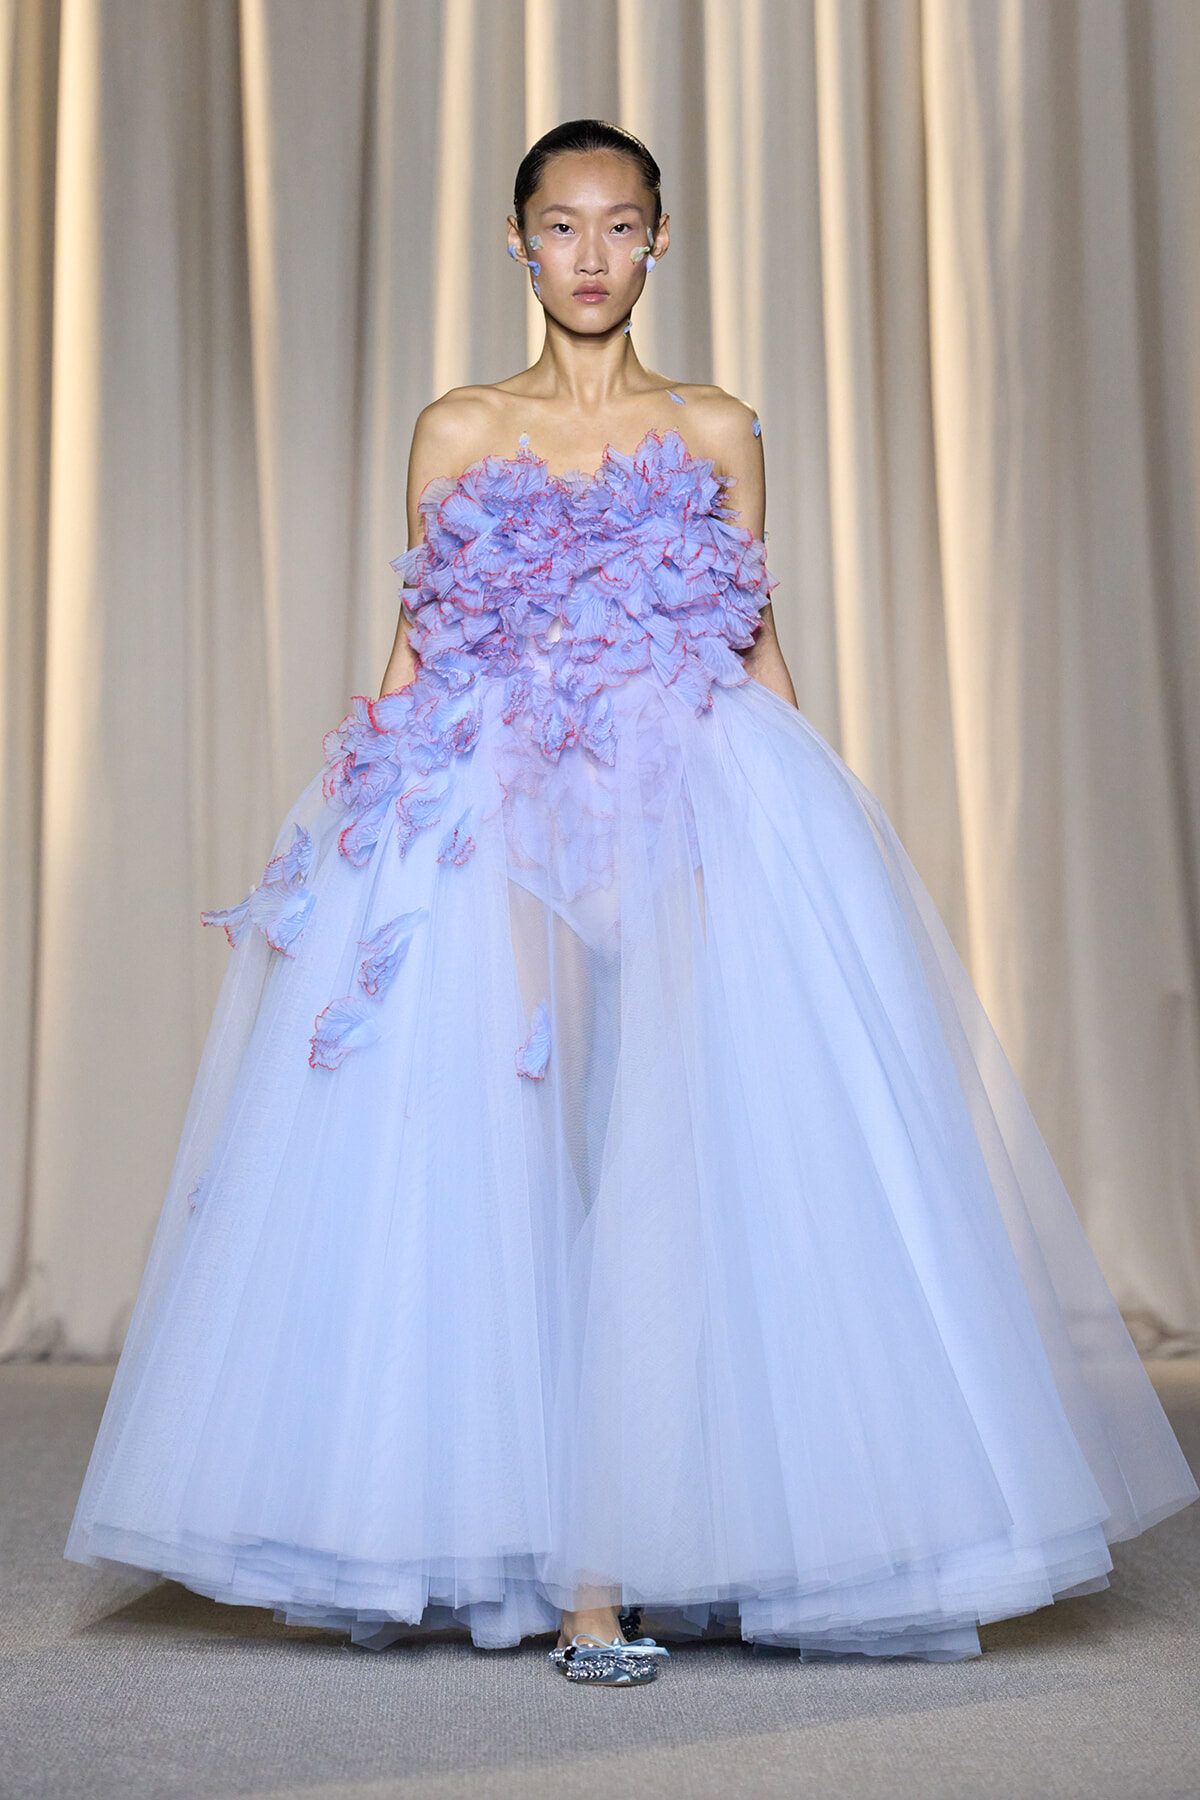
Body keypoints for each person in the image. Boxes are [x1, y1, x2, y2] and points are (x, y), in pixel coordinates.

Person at [66, 119, 1196, 1690]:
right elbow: (418, 642)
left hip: (684, 790)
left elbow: (753, 643)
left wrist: (811, 836)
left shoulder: (719, 424)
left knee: (679, 1144)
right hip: (494, 802)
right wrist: (349, 835)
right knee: (523, 1144)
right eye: (560, 226)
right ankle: (577, 1572)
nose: (590, 255)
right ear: (518, 246)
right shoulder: (457, 427)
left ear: (662, 241)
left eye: (619, 225)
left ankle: (661, 1535)